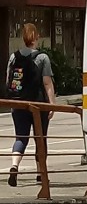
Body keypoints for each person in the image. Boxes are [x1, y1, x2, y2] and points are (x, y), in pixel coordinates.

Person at [5, 23, 56, 187]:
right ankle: (41, 173)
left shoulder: (14, 57)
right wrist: (52, 104)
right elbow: (47, 83)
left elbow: (8, 80)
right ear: (36, 37)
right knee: (40, 138)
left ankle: (14, 166)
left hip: (18, 103)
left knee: (21, 136)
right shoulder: (42, 58)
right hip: (38, 104)